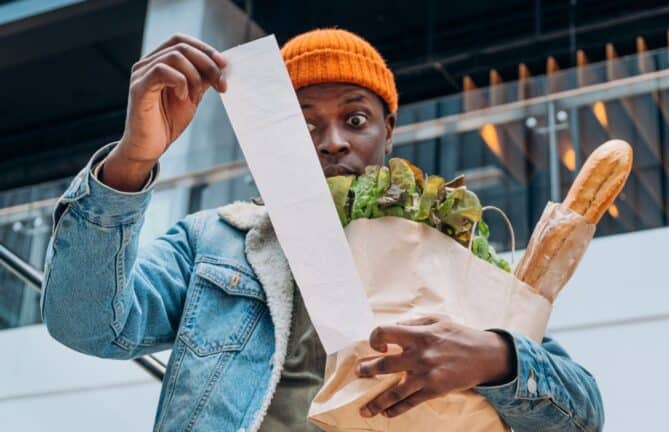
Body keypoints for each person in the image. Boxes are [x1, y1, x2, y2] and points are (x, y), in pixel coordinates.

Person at [41, 28, 604, 431]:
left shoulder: (448, 250)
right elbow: (87, 325)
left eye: (355, 119)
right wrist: (133, 159)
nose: (332, 140)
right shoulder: (213, 241)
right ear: (272, 134)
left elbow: (583, 414)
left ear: (389, 132)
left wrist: (494, 357)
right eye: (304, 123)